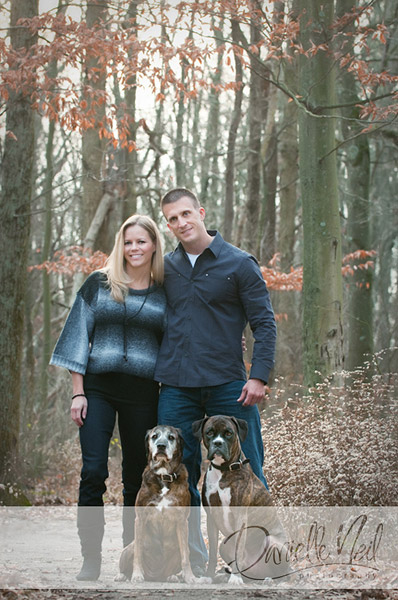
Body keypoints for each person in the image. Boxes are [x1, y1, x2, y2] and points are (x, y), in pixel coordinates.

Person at [154, 188, 277, 574]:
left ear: (201, 212)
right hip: (176, 384)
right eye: (172, 219)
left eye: (186, 214)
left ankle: (260, 561)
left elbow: (264, 323)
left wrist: (258, 375)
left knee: (249, 470)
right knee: (176, 475)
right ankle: (193, 561)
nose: (180, 224)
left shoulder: (238, 263)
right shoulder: (165, 269)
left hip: (228, 382)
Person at [50, 214, 166, 581]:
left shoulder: (166, 291)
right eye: (128, 242)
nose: (134, 248)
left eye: (141, 242)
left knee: (137, 478)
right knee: (93, 472)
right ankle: (91, 559)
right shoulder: (98, 284)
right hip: (98, 389)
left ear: (154, 246)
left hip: (144, 393)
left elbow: (185, 337)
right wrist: (77, 393)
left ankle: (131, 559)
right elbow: (75, 338)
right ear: (121, 245)